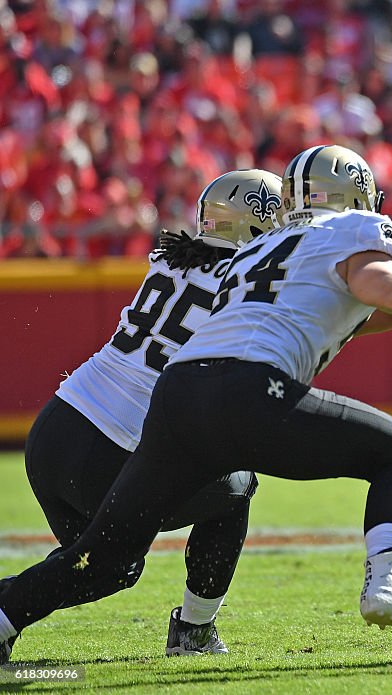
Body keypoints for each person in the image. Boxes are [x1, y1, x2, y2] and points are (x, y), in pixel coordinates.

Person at [0, 144, 392, 661]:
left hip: (96, 418)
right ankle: (203, 628)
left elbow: (388, 302)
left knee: (104, 561)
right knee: (328, 468)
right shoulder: (312, 243)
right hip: (158, 423)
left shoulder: (203, 261)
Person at [22, 168, 282, 657]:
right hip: (112, 448)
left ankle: (5, 612)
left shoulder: (171, 260)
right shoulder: (248, 280)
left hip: (56, 429)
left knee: (101, 568)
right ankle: (194, 630)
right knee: (237, 485)